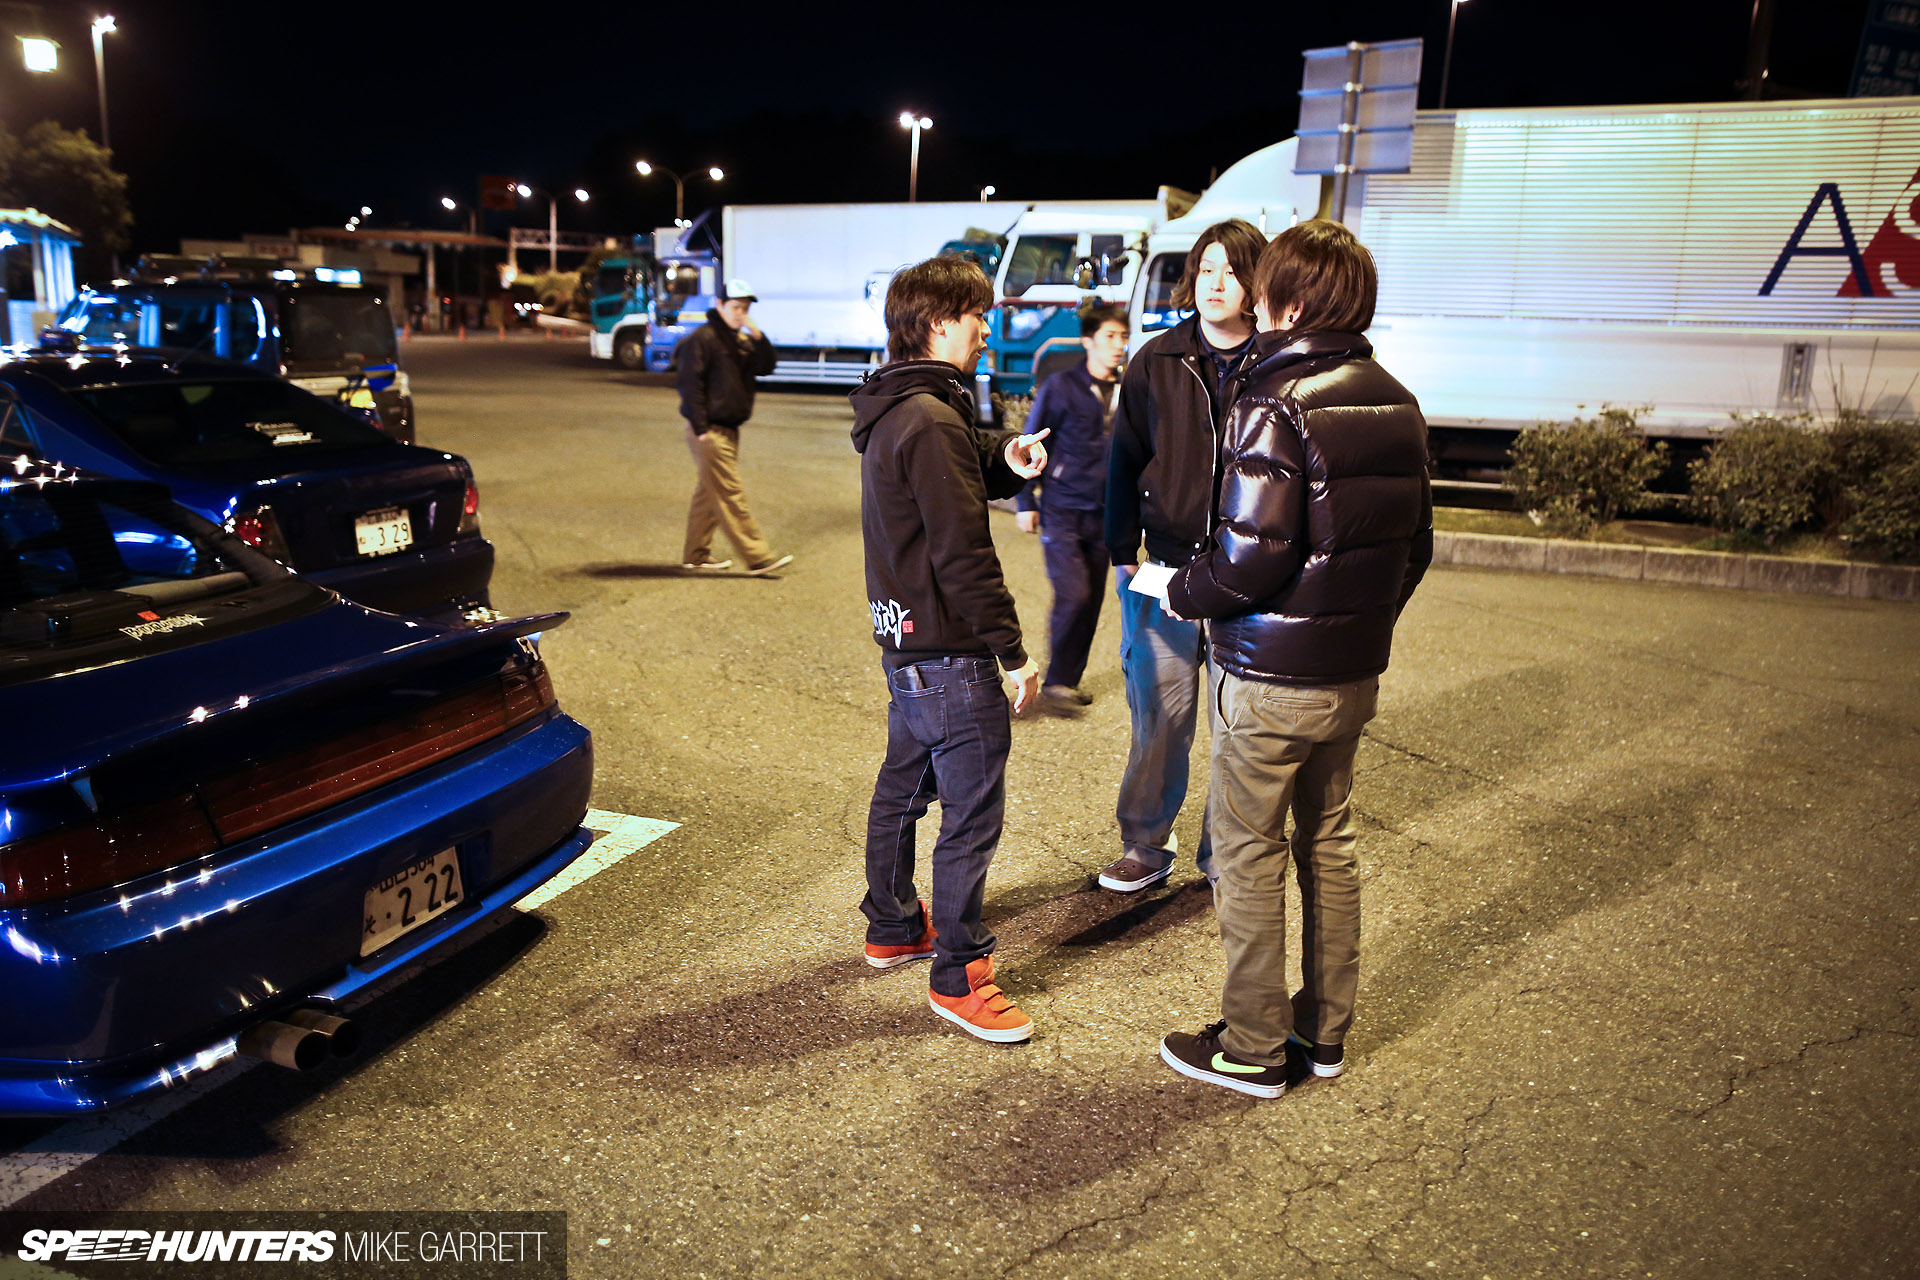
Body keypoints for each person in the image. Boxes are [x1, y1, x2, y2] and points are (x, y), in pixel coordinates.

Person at [1155, 219, 1433, 1099]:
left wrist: (1182, 590)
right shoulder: (1396, 400)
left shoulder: (1275, 399)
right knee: (1330, 843)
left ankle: (1252, 1047)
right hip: (1351, 676)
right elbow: (1416, 548)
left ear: (1292, 300)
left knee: (1247, 853)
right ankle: (1323, 1033)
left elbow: (1251, 557)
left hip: (1271, 677)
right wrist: (1355, 626)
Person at [848, 254, 1050, 1044]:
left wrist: (1004, 459)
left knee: (903, 788)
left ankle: (894, 924)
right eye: (977, 316)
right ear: (938, 323)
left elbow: (948, 481)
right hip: (950, 653)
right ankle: (960, 974)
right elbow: (964, 553)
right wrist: (1013, 653)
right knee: (970, 815)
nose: (987, 330)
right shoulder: (932, 419)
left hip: (907, 642)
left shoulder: (901, 407)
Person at [1099, 219, 1267, 893]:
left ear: (1257, 282)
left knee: (1238, 728)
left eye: (1231, 270)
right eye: (1205, 269)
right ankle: (1145, 843)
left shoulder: (1277, 363)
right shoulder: (1157, 359)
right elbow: (1125, 457)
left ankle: (1223, 854)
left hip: (1247, 577)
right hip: (1164, 568)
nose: (1215, 283)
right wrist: (1120, 549)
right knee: (1159, 720)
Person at [1014, 301, 1129, 714]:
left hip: (1105, 514)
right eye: (1109, 336)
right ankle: (1053, 682)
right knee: (1074, 594)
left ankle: (1064, 682)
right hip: (1062, 508)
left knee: (1092, 599)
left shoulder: (1127, 390)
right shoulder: (1061, 387)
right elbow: (1030, 443)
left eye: (1122, 337)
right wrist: (1025, 501)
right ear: (1088, 341)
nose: (1118, 345)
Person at [677, 278, 791, 576]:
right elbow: (690, 384)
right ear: (720, 305)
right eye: (735, 307)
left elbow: (766, 366)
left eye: (745, 309)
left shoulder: (739, 340)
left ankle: (695, 556)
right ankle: (758, 557)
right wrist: (700, 427)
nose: (741, 313)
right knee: (730, 494)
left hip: (729, 429)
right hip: (710, 430)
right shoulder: (703, 339)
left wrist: (758, 337)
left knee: (708, 494)